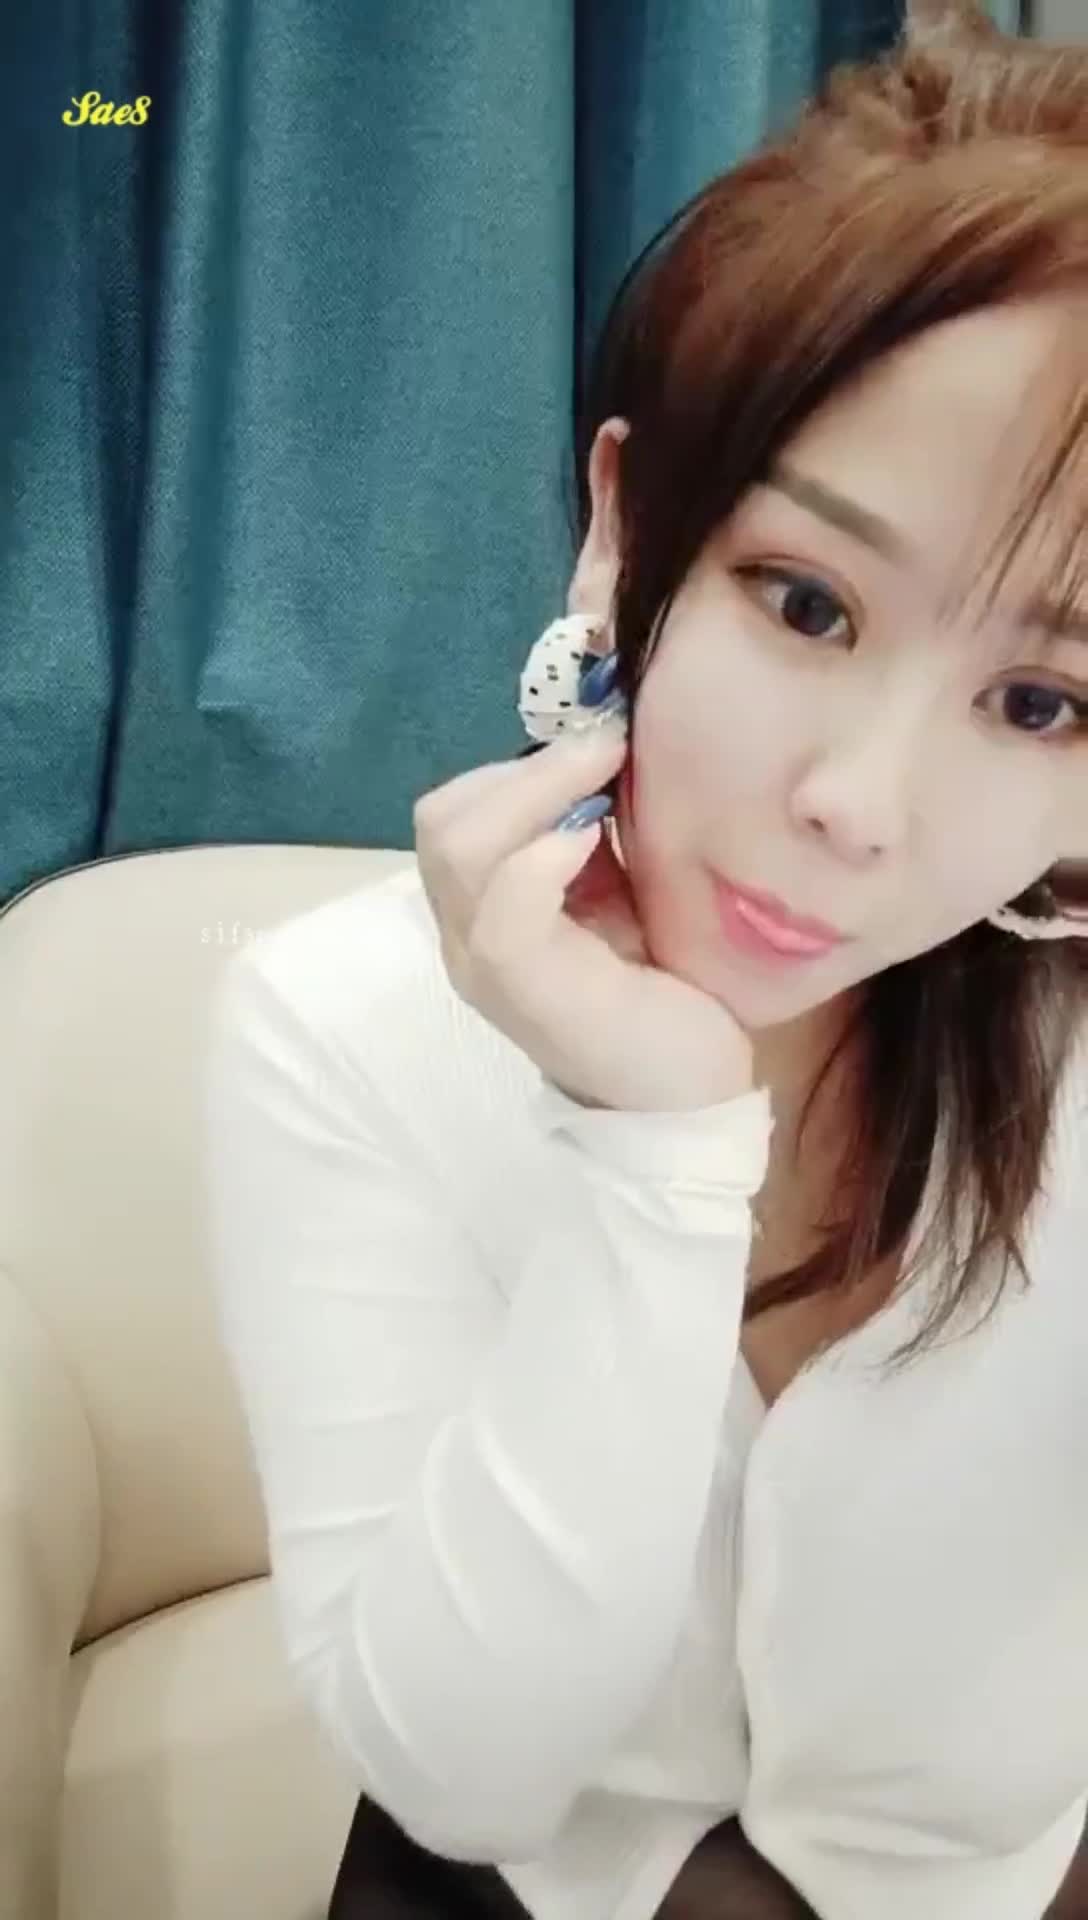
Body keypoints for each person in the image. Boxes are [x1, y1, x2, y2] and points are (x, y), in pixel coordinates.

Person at [204, 4, 1088, 1916]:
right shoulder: (337, 1022)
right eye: (806, 601)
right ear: (628, 525)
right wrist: (657, 1145)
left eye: (1041, 702)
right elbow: (467, 1777)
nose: (860, 807)